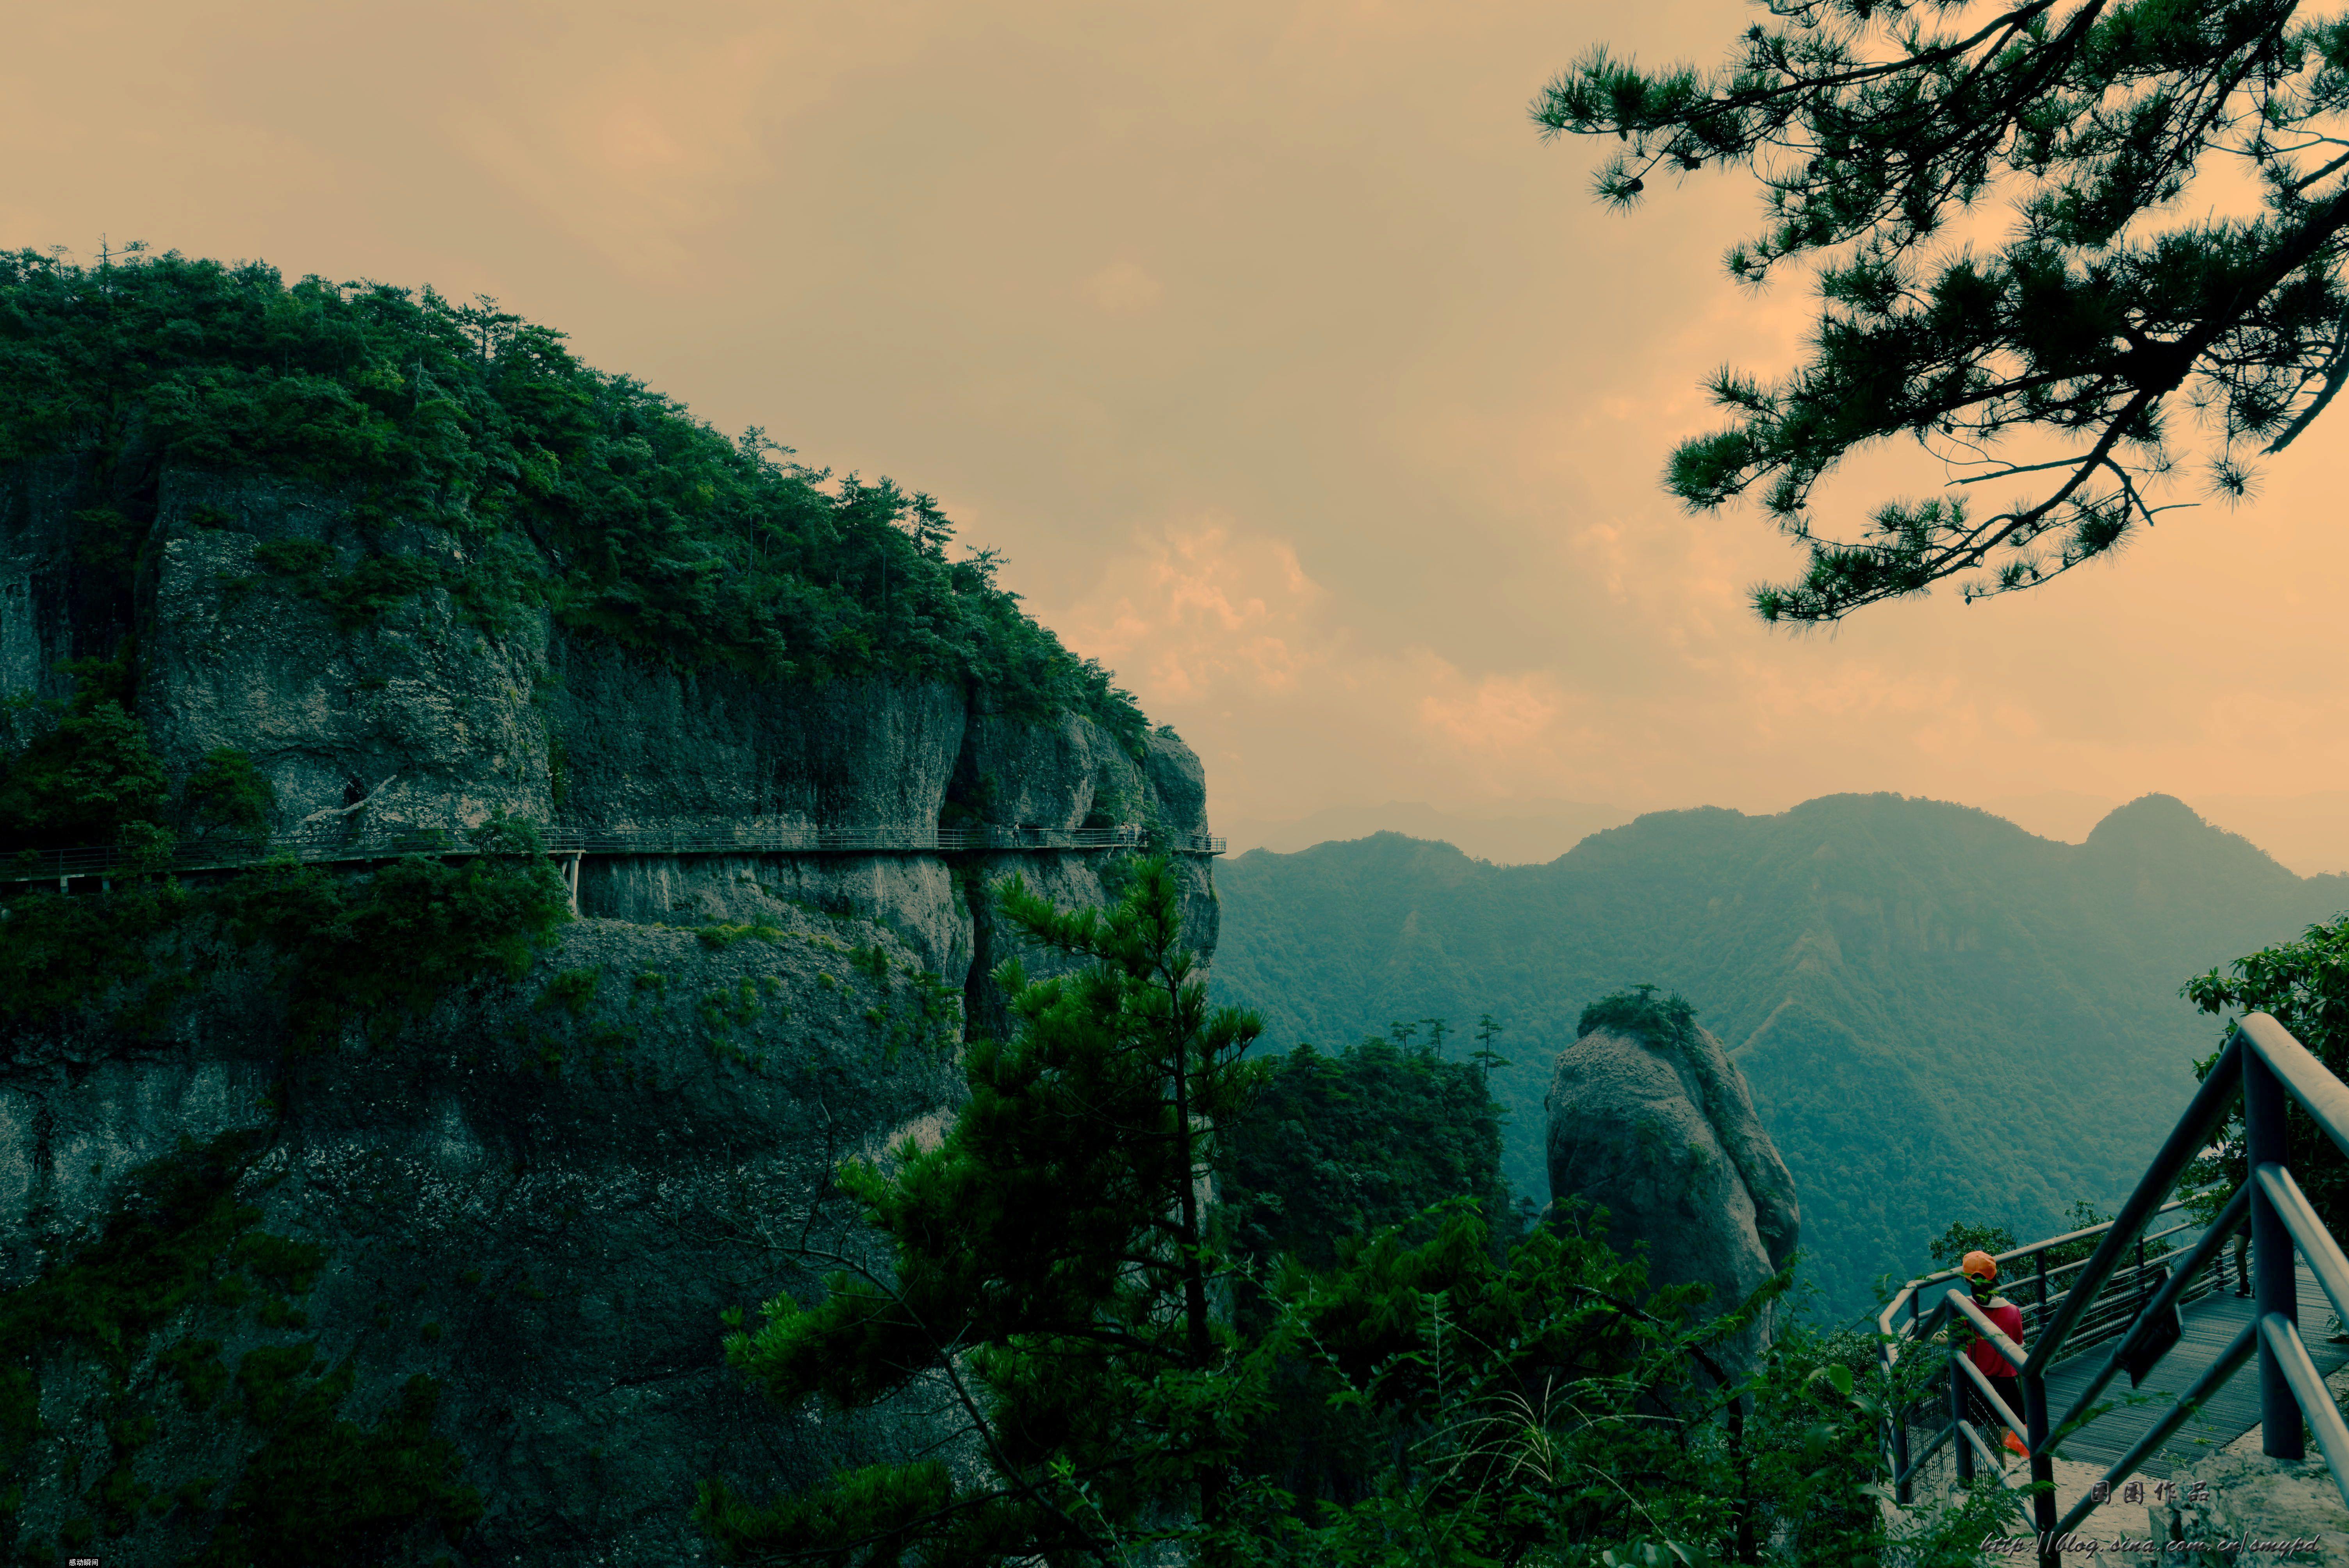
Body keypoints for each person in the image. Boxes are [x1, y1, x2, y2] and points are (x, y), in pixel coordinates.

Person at [1960, 1249, 2030, 1461]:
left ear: (1967, 1279)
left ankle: (1987, 1471)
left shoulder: (1964, 1308)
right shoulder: (2013, 1312)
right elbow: (2018, 1348)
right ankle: (2000, 1469)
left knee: (1973, 1427)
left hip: (1975, 1380)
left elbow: (1957, 1340)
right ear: (1995, 1276)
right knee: (2001, 1430)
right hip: (2006, 1383)